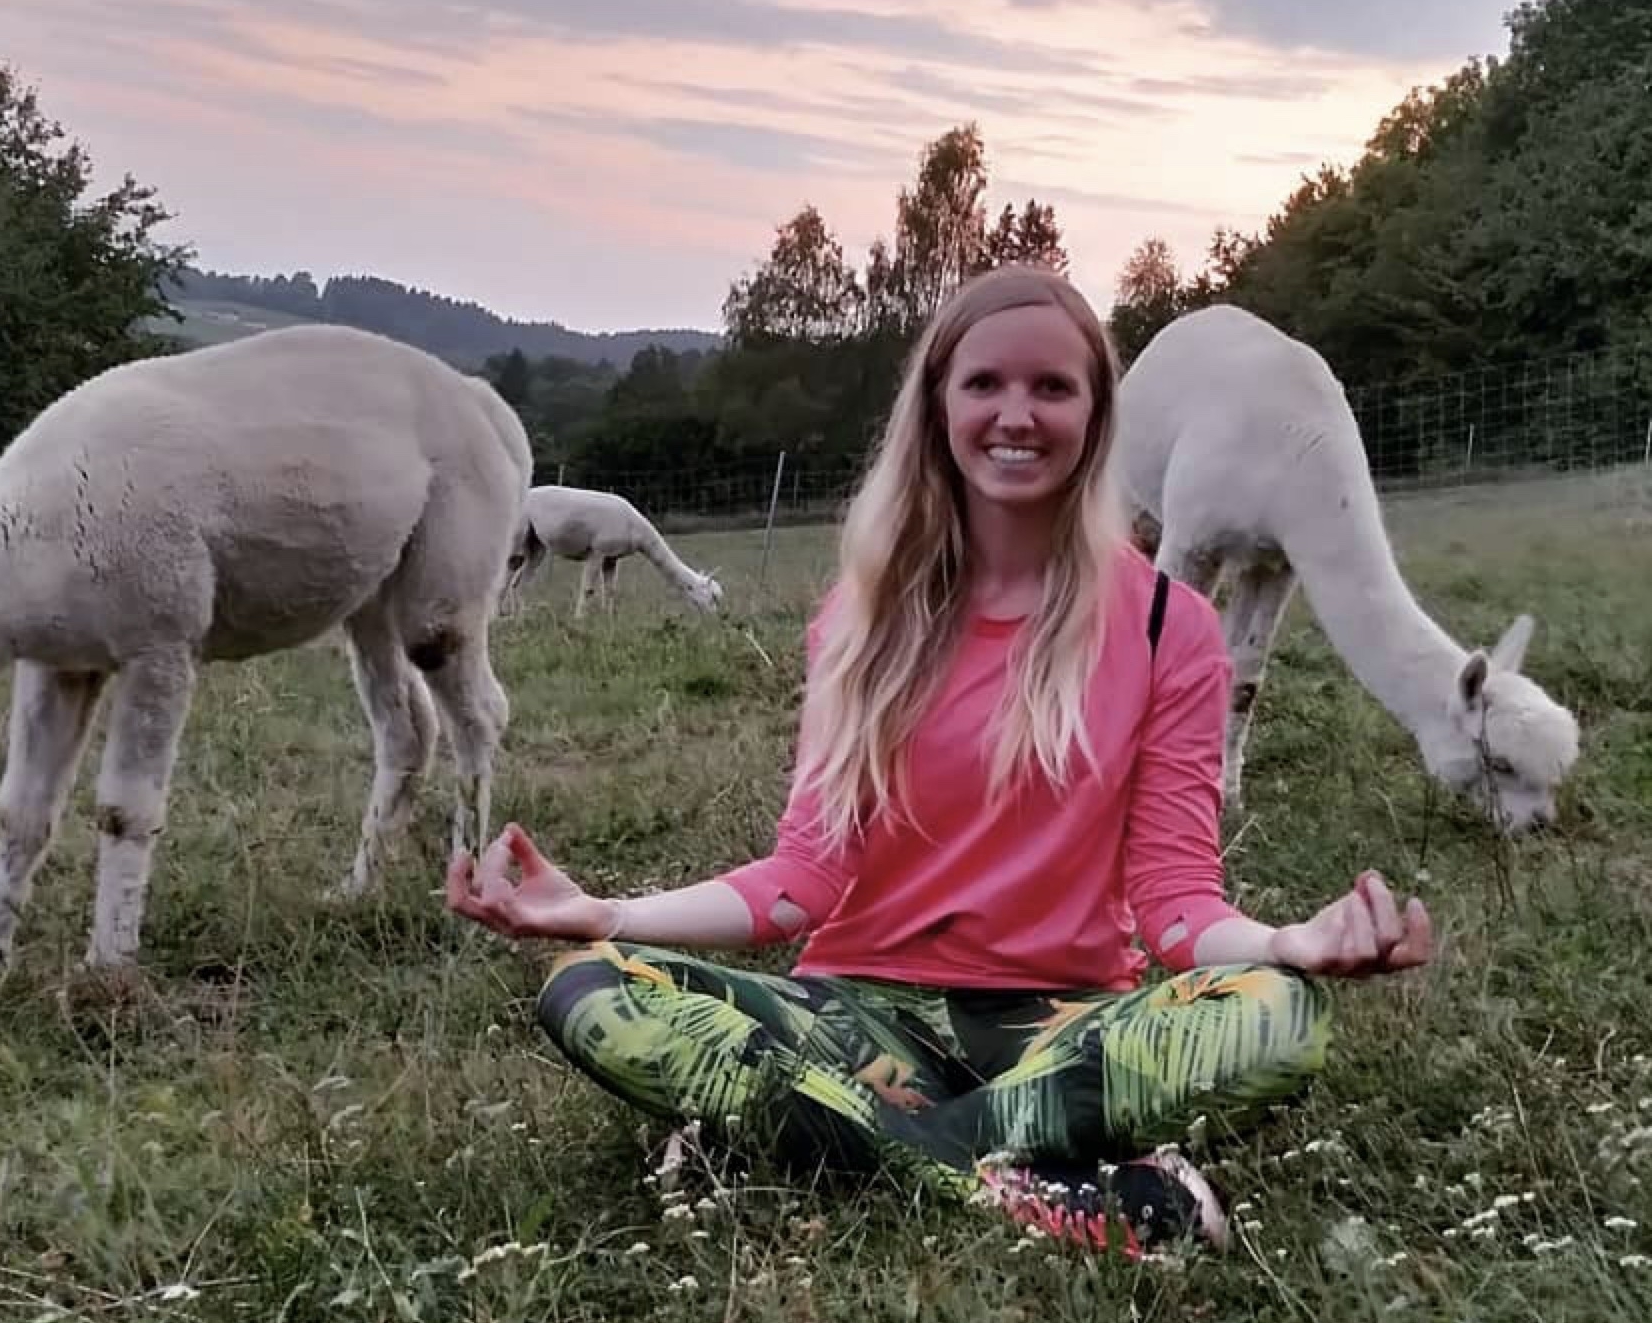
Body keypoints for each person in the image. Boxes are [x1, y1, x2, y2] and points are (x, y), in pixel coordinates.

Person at [444, 265, 1435, 1259]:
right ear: (938, 406)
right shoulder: (862, 620)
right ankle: (1019, 1176)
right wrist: (605, 915)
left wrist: (1287, 944)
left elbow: (1178, 903)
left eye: (1054, 387)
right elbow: (803, 879)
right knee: (587, 988)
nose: (1018, 414)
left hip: (1060, 1029)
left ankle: (825, 1139)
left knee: (1279, 1015)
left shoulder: (1175, 626)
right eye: (985, 384)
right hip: (854, 1016)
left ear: (1098, 416)